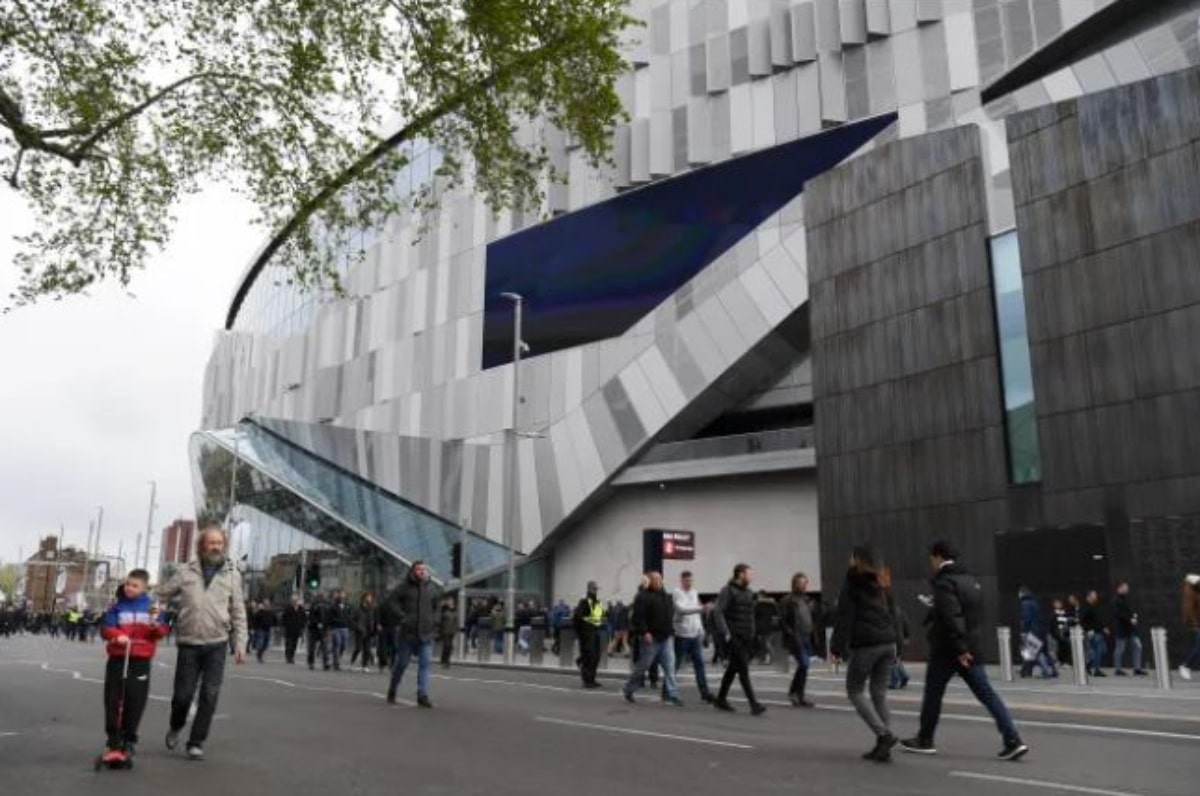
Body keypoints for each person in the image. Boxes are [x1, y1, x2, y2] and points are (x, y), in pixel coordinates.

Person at [900, 540, 1028, 761]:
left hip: (949, 649)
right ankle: (1013, 739)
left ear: (938, 557)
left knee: (933, 695)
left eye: (931, 558)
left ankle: (925, 739)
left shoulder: (944, 582)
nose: (930, 562)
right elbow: (970, 614)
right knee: (987, 695)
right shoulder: (971, 580)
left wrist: (959, 647)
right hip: (972, 647)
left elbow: (952, 617)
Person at [158, 525, 248, 761]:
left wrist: (240, 644)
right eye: (211, 542)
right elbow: (162, 593)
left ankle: (196, 742)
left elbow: (239, 611)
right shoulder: (186, 571)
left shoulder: (232, 573)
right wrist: (146, 603)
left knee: (210, 694)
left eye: (219, 542)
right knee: (182, 697)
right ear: (202, 545)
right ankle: (176, 726)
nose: (216, 546)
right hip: (189, 642)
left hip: (216, 643)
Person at [830, 546, 901, 763]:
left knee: (854, 690)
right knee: (879, 694)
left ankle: (884, 735)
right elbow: (894, 612)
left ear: (857, 560)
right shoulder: (882, 580)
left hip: (867, 644)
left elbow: (844, 616)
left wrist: (836, 648)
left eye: (851, 557)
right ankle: (883, 745)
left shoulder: (852, 581)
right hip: (888, 643)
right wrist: (899, 645)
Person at [99, 569, 169, 760]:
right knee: (113, 699)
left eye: (135, 585)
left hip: (140, 658)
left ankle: (129, 739)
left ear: (145, 587)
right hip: (118, 657)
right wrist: (116, 635)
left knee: (135, 700)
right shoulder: (117, 606)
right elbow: (106, 628)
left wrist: (155, 625)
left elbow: (162, 631)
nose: (129, 588)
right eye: (128, 584)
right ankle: (113, 740)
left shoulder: (152, 607)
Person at [385, 561, 442, 708]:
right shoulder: (404, 587)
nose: (421, 572)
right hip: (407, 634)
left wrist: (435, 620)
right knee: (402, 664)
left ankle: (422, 695)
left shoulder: (432, 588)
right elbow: (392, 602)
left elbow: (437, 607)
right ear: (413, 571)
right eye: (418, 569)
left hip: (426, 634)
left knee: (425, 665)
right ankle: (392, 689)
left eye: (423, 569)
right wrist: (402, 617)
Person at [713, 563, 766, 715]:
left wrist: (753, 634)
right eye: (749, 574)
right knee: (743, 669)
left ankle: (720, 699)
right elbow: (718, 612)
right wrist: (726, 633)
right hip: (734, 636)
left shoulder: (749, 592)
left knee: (732, 669)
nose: (751, 577)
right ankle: (754, 704)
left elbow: (750, 616)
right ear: (740, 574)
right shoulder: (728, 590)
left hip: (746, 636)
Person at [623, 571, 682, 705]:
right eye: (655, 579)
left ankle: (674, 694)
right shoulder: (642, 597)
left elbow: (669, 615)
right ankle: (628, 689)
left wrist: (671, 631)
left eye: (660, 579)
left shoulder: (666, 596)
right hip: (651, 638)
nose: (659, 581)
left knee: (670, 667)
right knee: (643, 666)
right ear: (649, 581)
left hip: (666, 638)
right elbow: (638, 617)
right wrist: (645, 632)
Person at [672, 571, 714, 703]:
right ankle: (667, 690)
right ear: (682, 581)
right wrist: (701, 608)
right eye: (687, 581)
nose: (689, 583)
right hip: (682, 635)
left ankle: (705, 692)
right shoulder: (677, 593)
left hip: (694, 635)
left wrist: (701, 629)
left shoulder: (694, 592)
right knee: (676, 665)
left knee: (699, 665)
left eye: (691, 580)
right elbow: (682, 610)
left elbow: (696, 615)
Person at [779, 572, 817, 707]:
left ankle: (799, 695)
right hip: (796, 637)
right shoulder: (787, 600)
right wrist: (790, 633)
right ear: (795, 584)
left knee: (805, 667)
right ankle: (794, 693)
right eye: (802, 583)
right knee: (804, 664)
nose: (804, 585)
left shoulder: (807, 600)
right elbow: (782, 620)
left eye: (805, 583)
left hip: (807, 636)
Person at [1018, 587, 1057, 679]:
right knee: (1041, 651)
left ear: (1022, 594)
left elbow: (1026, 618)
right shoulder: (1034, 602)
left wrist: (1024, 631)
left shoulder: (1025, 604)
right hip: (1040, 630)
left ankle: (1045, 671)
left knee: (1035, 651)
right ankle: (1053, 671)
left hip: (1033, 630)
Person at [573, 581, 606, 688]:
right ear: (589, 589)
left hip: (594, 631)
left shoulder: (596, 601)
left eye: (596, 589)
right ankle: (587, 679)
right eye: (594, 589)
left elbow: (599, 616)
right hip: (586, 633)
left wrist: (602, 615)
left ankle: (591, 678)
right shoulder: (584, 601)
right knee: (589, 655)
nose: (595, 591)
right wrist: (583, 629)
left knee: (596, 656)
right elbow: (578, 617)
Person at [1112, 582, 1147, 676]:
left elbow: (1128, 612)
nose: (1126, 590)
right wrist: (1130, 619)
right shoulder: (1116, 600)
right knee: (1120, 649)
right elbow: (1118, 614)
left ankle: (1137, 668)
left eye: (1127, 588)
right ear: (1119, 588)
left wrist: (1133, 616)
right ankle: (1118, 669)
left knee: (1137, 647)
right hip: (1121, 629)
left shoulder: (1125, 599)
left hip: (1130, 629)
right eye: (1124, 588)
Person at [1079, 590, 1108, 677]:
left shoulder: (1093, 606)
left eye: (1096, 595)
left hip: (1097, 631)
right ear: (1089, 596)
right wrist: (1088, 630)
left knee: (1101, 650)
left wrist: (1103, 628)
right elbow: (1083, 621)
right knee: (1097, 650)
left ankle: (1089, 665)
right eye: (1094, 595)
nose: (1096, 596)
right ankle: (1096, 670)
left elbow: (1096, 620)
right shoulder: (1086, 607)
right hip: (1093, 632)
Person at [351, 592, 379, 672]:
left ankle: (365, 665)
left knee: (367, 649)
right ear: (363, 598)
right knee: (358, 648)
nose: (369, 599)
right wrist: (356, 626)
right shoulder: (357, 608)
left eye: (370, 597)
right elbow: (351, 619)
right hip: (360, 631)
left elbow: (375, 619)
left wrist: (376, 627)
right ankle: (353, 661)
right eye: (368, 597)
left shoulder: (372, 608)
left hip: (369, 631)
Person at [1179, 574, 1200, 680]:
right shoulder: (1190, 593)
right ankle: (1185, 666)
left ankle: (1186, 666)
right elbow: (1189, 611)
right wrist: (1195, 624)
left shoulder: (1195, 592)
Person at [326, 589, 352, 671]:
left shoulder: (347, 606)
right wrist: (333, 624)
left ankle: (336, 658)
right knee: (337, 644)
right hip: (336, 628)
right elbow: (330, 618)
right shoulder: (333, 606)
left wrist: (349, 623)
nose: (342, 597)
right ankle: (336, 663)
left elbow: (350, 616)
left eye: (343, 595)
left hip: (345, 628)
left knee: (343, 646)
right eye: (341, 595)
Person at [306, 593, 329, 670]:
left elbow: (328, 616)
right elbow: (311, 616)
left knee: (325, 647)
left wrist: (326, 624)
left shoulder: (327, 605)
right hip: (313, 629)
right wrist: (317, 623)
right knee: (312, 647)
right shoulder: (314, 605)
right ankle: (311, 662)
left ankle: (326, 662)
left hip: (324, 629)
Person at [281, 595, 306, 665]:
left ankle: (292, 656)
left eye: (296, 600)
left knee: (294, 644)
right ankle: (288, 657)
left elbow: (304, 618)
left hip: (296, 629)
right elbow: (284, 618)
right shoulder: (288, 608)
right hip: (289, 629)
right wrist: (284, 625)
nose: (295, 602)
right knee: (288, 643)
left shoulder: (301, 609)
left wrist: (302, 626)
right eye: (294, 600)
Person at [439, 598, 458, 668]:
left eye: (452, 602)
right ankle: (444, 660)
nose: (451, 603)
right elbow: (440, 621)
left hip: (452, 632)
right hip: (445, 632)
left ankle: (447, 660)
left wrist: (456, 631)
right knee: (446, 646)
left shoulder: (455, 612)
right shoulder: (444, 611)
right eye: (449, 602)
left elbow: (456, 622)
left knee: (450, 647)